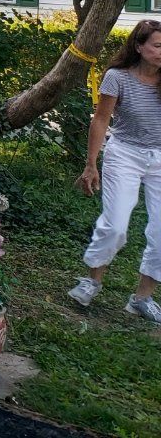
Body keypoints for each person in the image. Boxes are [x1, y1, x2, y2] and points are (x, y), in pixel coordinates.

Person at [68, 19, 161, 323]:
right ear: (139, 47)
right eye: (158, 46)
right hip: (125, 154)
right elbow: (100, 119)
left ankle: (142, 298)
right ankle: (92, 281)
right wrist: (91, 163)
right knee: (116, 225)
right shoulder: (117, 78)